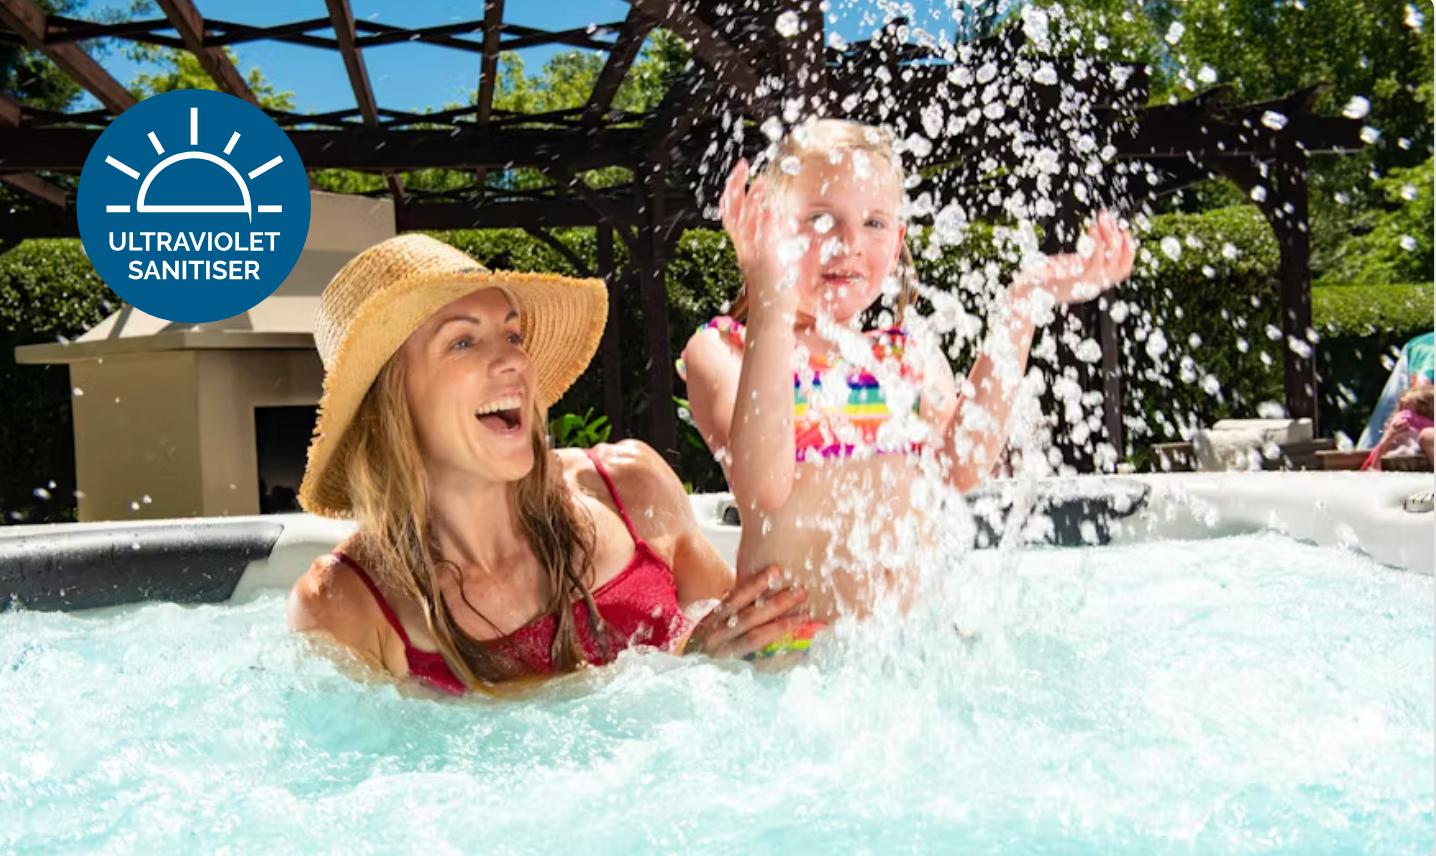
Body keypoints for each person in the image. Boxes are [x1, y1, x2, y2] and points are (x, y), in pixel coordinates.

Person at [288, 235, 810, 693]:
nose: (514, 360)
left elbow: (761, 670)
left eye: (513, 336)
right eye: (463, 341)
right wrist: (684, 666)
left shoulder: (629, 487)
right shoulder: (345, 605)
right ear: (392, 400)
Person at [679, 119, 1134, 639]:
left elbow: (963, 466)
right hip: (788, 665)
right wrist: (770, 301)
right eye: (820, 219)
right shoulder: (726, 348)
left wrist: (1022, 304)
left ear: (895, 245)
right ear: (771, 232)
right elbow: (764, 485)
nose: (849, 242)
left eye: (873, 223)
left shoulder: (903, 356)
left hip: (901, 658)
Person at [1361, 384, 1434, 470]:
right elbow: (1374, 474)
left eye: (1414, 415)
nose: (1403, 419)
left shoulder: (1428, 436)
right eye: (1402, 412)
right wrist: (1385, 441)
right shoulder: (1391, 443)